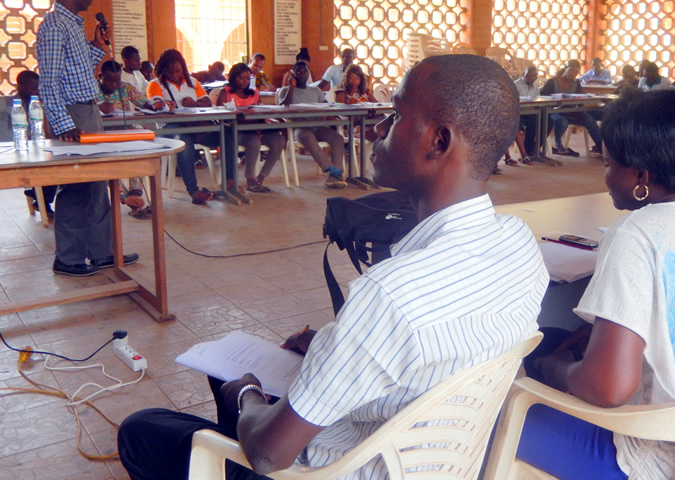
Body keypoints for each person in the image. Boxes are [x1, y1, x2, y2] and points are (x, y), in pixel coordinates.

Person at [117, 53, 550, 480]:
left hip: (335, 468)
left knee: (145, 429)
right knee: (232, 385)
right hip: (438, 460)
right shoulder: (519, 243)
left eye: (396, 116)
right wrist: (334, 348)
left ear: (439, 141)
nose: (378, 129)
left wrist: (247, 392)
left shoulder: (390, 293)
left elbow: (270, 454)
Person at [517, 90, 675, 480]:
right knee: (552, 334)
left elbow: (607, 388)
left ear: (640, 178)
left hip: (657, 455)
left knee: (493, 406)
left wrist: (553, 369)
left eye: (608, 163)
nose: (606, 174)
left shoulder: (637, 233)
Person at [36, 0, 138, 277]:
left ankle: (101, 252)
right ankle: (68, 258)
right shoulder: (54, 25)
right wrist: (64, 124)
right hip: (72, 114)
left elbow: (79, 70)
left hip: (88, 108)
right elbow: (49, 83)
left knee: (97, 183)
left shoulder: (73, 25)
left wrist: (98, 45)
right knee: (76, 187)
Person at [147, 48, 238, 204]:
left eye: (178, 71)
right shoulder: (155, 84)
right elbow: (156, 104)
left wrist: (195, 103)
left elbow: (207, 102)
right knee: (184, 139)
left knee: (227, 133)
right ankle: (194, 191)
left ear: (183, 68)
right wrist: (164, 105)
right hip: (170, 126)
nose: (175, 75)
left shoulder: (192, 82)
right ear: (163, 71)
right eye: (170, 72)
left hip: (197, 124)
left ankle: (229, 181)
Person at [96, 60, 157, 219]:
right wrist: (99, 107)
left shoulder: (125, 88)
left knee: (140, 150)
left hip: (124, 132)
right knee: (106, 162)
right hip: (100, 134)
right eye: (109, 80)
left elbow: (144, 103)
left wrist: (156, 105)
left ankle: (136, 193)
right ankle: (125, 197)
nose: (114, 84)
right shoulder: (91, 90)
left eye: (117, 80)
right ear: (100, 76)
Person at [216, 62, 286, 193]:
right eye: (241, 78)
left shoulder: (254, 94)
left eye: (248, 79)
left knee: (279, 140)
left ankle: (261, 177)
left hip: (256, 128)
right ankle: (250, 178)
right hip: (237, 131)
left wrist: (262, 123)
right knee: (254, 141)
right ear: (233, 78)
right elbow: (221, 116)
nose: (244, 82)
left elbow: (260, 111)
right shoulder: (225, 93)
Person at [278, 61, 347, 189]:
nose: (302, 74)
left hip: (318, 126)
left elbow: (325, 105)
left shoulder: (316, 90)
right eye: (298, 72)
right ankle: (330, 168)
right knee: (308, 136)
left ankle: (334, 176)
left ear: (308, 73)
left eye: (305, 72)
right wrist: (291, 88)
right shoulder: (286, 91)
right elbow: (283, 106)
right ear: (293, 74)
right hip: (299, 128)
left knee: (338, 138)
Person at [15, 70, 57, 218]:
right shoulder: (11, 105)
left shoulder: (39, 103)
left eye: (38, 88)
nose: (37, 92)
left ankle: (39, 197)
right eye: (33, 88)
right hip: (18, 148)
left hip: (38, 146)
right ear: (20, 87)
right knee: (47, 166)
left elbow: (46, 131)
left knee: (56, 162)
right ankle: (39, 199)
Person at [540, 60, 602, 157]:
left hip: (571, 111)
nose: (573, 74)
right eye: (571, 71)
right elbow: (543, 97)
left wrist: (584, 98)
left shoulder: (576, 83)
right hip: (555, 111)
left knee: (589, 119)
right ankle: (558, 145)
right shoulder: (552, 82)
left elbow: (580, 99)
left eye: (576, 73)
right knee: (562, 121)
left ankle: (602, 147)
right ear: (566, 68)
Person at [514, 65, 541, 165]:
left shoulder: (535, 86)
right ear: (524, 74)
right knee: (518, 125)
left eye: (534, 76)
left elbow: (538, 99)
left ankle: (532, 149)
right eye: (529, 75)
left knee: (540, 122)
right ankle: (525, 151)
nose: (531, 78)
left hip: (530, 112)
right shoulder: (516, 85)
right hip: (518, 113)